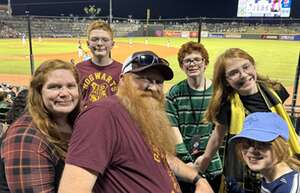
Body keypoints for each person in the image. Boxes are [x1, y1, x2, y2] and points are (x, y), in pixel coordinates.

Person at [58, 51, 214, 193]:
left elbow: (161, 156)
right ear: (122, 80)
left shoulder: (144, 115)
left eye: (158, 81)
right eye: (144, 78)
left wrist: (198, 179)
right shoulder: (102, 115)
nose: (153, 87)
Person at [194, 48, 300, 193]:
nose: (243, 75)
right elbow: (217, 137)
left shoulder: (275, 90)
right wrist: (205, 160)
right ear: (226, 81)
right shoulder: (227, 106)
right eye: (233, 73)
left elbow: (284, 122)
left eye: (246, 67)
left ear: (253, 66)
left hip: (278, 162)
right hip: (247, 167)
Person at [0, 59, 80, 193]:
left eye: (71, 86)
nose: (65, 93)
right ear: (39, 92)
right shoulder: (25, 138)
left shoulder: (74, 122)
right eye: (54, 87)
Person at [165, 41, 223, 193]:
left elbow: (220, 130)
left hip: (211, 164)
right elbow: (173, 129)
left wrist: (205, 159)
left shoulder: (218, 92)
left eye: (197, 59)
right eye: (187, 60)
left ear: (205, 63)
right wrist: (187, 162)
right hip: (183, 166)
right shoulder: (175, 92)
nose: (192, 64)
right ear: (182, 65)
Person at [229, 112, 300, 193]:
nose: (251, 150)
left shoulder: (288, 188)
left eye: (262, 144)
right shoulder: (270, 176)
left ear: (281, 147)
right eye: (246, 144)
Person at [75, 20, 122, 108]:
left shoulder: (121, 70)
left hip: (110, 120)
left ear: (112, 44)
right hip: (86, 119)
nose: (100, 43)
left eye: (105, 40)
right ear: (88, 43)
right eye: (95, 39)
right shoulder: (78, 69)